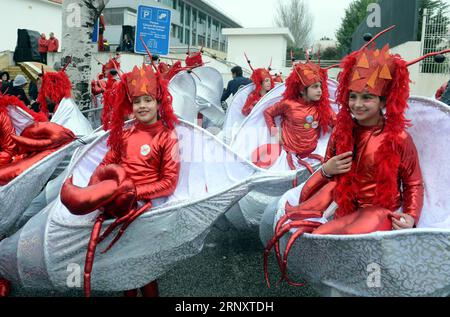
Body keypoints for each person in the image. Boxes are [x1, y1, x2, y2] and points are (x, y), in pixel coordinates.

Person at [264, 41, 428, 287]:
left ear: (384, 102)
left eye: (367, 97)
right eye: (353, 96)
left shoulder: (399, 139)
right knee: (316, 241)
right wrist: (327, 170)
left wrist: (412, 216)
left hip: (380, 211)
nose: (357, 104)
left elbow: (413, 182)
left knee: (347, 242)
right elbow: (326, 175)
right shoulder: (342, 133)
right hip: (344, 206)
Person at [60, 62, 180, 297]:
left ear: (158, 102)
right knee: (123, 266)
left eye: (147, 100)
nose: (142, 106)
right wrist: (99, 191)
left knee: (145, 269)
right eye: (137, 102)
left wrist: (132, 192)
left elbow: (169, 182)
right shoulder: (124, 133)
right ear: (130, 105)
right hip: (117, 207)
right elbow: (105, 164)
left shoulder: (167, 136)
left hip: (147, 210)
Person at [260, 58, 335, 174]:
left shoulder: (322, 108)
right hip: (287, 156)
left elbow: (338, 124)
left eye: (320, 86)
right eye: (315, 87)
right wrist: (275, 133)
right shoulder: (288, 104)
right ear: (302, 90)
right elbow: (268, 112)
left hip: (314, 155)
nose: (320, 90)